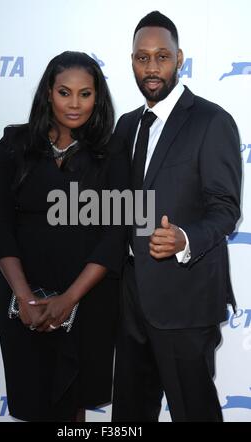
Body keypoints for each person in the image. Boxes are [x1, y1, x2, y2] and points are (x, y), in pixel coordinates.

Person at [112, 11, 242, 422]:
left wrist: (184, 238)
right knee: (129, 415)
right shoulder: (126, 125)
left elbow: (225, 208)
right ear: (132, 61)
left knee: (193, 412)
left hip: (185, 300)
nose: (152, 68)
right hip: (129, 299)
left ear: (179, 58)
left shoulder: (211, 121)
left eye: (162, 57)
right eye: (142, 58)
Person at [0, 51, 128, 422]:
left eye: (85, 94)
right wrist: (26, 298)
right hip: (23, 301)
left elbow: (115, 237)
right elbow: (1, 231)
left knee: (73, 409)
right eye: (65, 92)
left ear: (97, 97)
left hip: (88, 300)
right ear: (49, 92)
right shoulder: (13, 146)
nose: (75, 104)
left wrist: (68, 300)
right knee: (32, 403)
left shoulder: (112, 154)